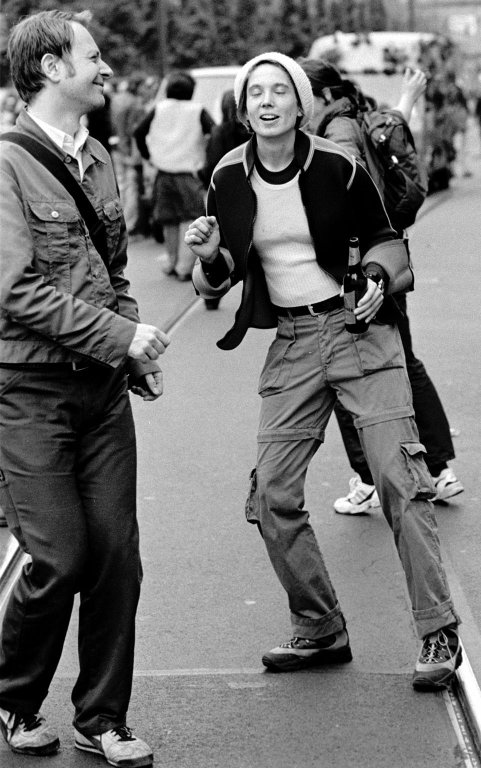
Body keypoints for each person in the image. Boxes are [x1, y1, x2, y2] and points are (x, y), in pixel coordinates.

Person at [185, 51, 461, 692]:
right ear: (243, 108)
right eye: (256, 93)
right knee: (272, 493)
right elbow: (216, 279)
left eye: (280, 90)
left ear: (300, 102)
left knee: (397, 478)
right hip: (293, 340)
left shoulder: (338, 164)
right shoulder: (228, 175)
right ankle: (319, 626)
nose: (267, 102)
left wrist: (376, 277)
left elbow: (389, 242)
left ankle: (438, 629)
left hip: (358, 332)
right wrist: (209, 257)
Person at [0, 10, 170, 766]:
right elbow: (13, 290)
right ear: (50, 68)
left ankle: (103, 718)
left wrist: (132, 350)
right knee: (59, 558)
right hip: (26, 392)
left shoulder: (97, 155)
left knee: (116, 561)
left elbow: (110, 272)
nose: (105, 68)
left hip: (100, 392)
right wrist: (119, 337)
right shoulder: (6, 164)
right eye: (93, 57)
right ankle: (13, 694)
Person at [299, 58, 463, 515]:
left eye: (303, 95)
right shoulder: (360, 115)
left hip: (356, 267)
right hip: (387, 256)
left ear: (324, 95)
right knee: (403, 361)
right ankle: (440, 470)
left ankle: (370, 477)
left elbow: (346, 189)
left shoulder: (336, 130)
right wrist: (407, 99)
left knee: (344, 370)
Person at [134, 70, 214, 281]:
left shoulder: (158, 108)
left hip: (163, 172)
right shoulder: (197, 110)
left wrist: (149, 156)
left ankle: (171, 260)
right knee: (191, 219)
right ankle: (185, 266)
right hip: (188, 173)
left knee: (168, 219)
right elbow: (214, 132)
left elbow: (139, 133)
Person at [199, 89, 250, 310]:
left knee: (217, 248)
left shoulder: (219, 132)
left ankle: (212, 296)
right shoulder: (255, 133)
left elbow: (211, 164)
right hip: (250, 194)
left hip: (223, 197)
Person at [110, 73, 147, 238]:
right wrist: (134, 154)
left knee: (121, 187)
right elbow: (134, 131)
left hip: (117, 147)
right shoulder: (136, 104)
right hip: (131, 150)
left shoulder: (117, 99)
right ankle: (129, 224)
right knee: (132, 188)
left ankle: (119, 222)